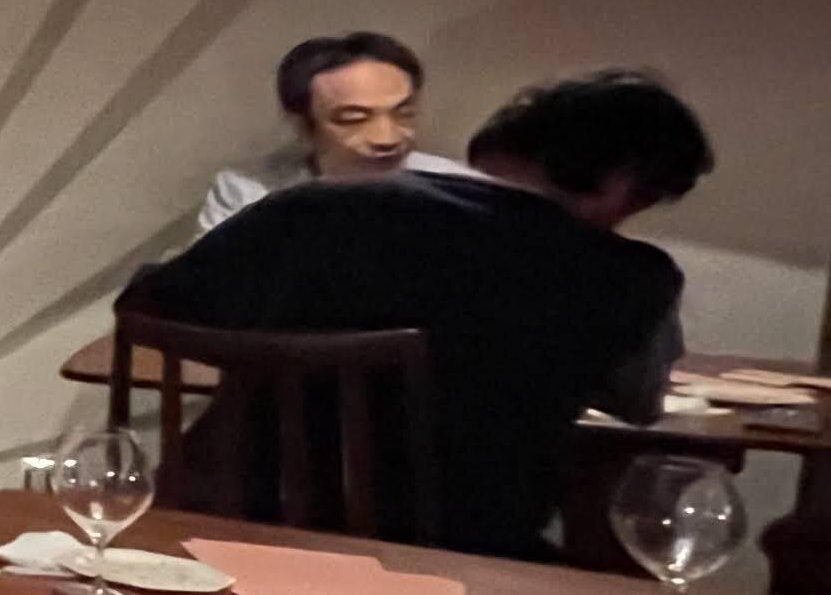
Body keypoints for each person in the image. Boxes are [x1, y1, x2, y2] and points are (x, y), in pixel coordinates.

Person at [127, 70, 709, 558]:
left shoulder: (322, 204)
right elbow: (638, 404)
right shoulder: (631, 277)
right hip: (464, 548)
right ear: (623, 185)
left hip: (228, 511)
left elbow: (150, 304)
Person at [196, 30, 467, 233]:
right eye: (354, 119)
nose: (387, 138)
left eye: (404, 113)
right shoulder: (248, 193)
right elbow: (207, 282)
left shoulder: (462, 189)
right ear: (303, 125)